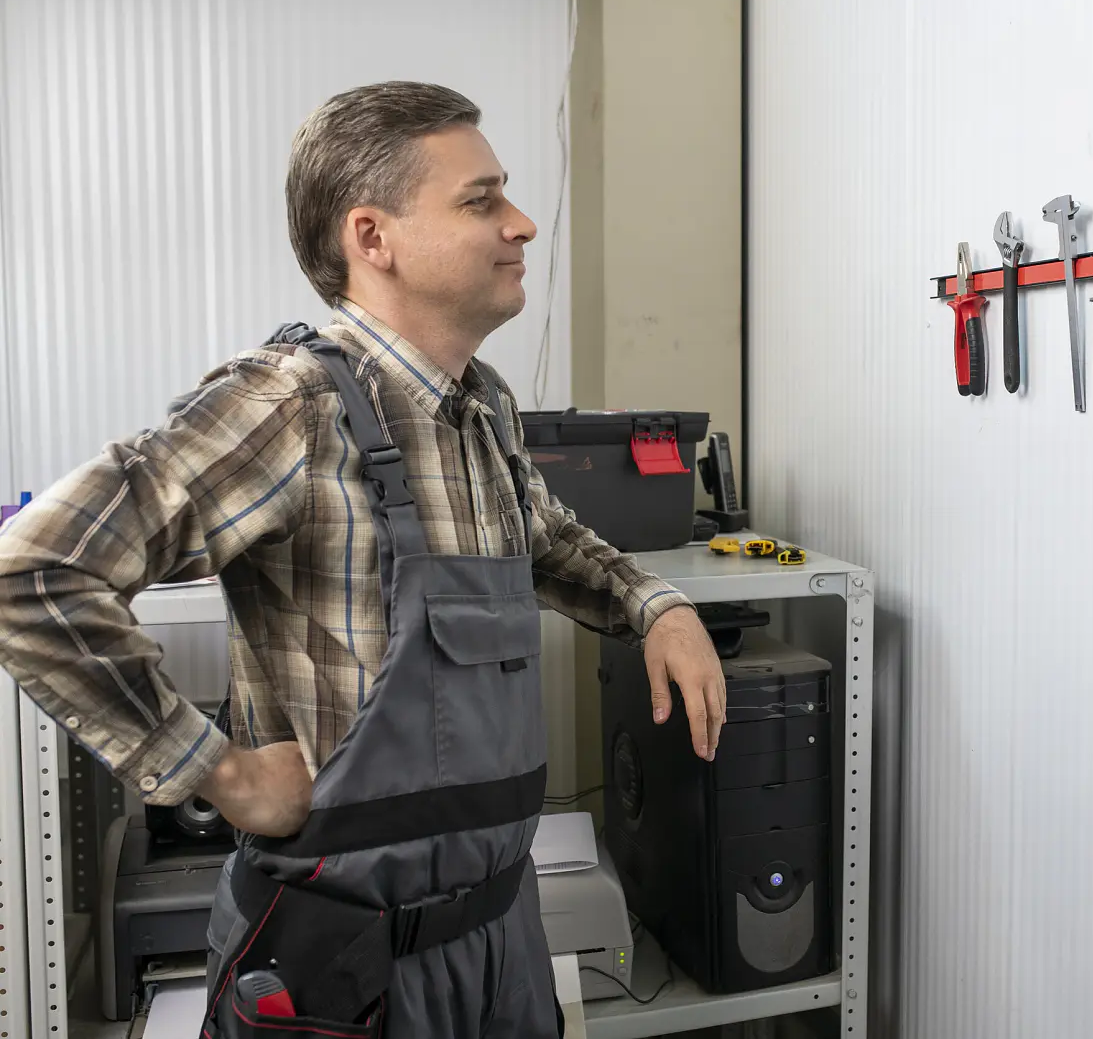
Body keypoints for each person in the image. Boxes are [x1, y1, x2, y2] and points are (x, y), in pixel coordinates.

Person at [0, 80, 727, 1038]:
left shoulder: (482, 405)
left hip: (501, 940)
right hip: (340, 970)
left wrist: (656, 604)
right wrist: (216, 771)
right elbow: (35, 573)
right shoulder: (289, 405)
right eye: (480, 201)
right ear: (371, 237)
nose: (522, 225)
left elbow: (546, 535)